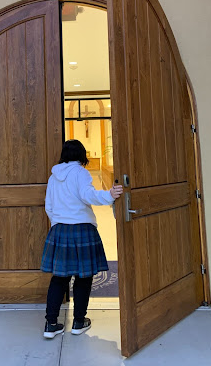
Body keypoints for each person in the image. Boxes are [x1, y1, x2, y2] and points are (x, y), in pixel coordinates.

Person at [41, 139, 123, 339]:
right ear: (81, 155)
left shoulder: (53, 177)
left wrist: (58, 223)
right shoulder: (81, 173)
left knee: (59, 278)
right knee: (83, 277)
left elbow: (48, 206)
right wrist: (110, 195)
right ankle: (79, 321)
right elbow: (88, 195)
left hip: (60, 229)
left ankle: (51, 325)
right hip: (82, 229)